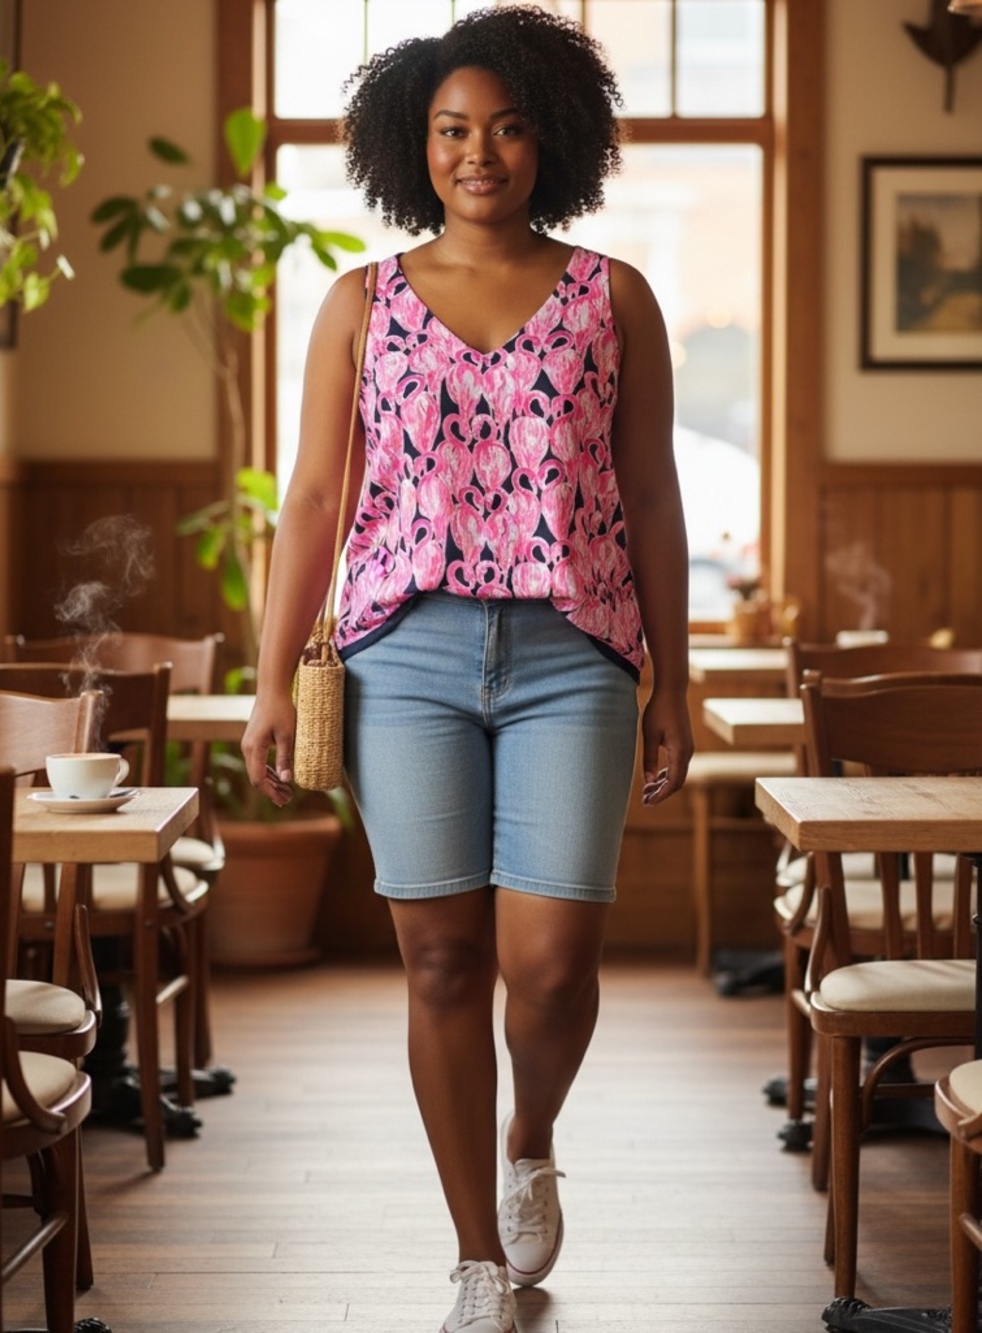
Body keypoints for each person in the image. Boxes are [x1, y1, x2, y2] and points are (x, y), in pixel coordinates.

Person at [242, 7, 694, 1331]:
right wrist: (274, 678)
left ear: (548, 135)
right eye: (450, 129)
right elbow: (317, 497)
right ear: (411, 145)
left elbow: (652, 494)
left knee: (550, 965)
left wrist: (681, 674)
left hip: (576, 653)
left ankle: (530, 1134)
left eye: (502, 125)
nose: (477, 150)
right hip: (405, 657)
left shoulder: (616, 295)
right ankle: (476, 1263)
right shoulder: (357, 304)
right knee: (441, 961)